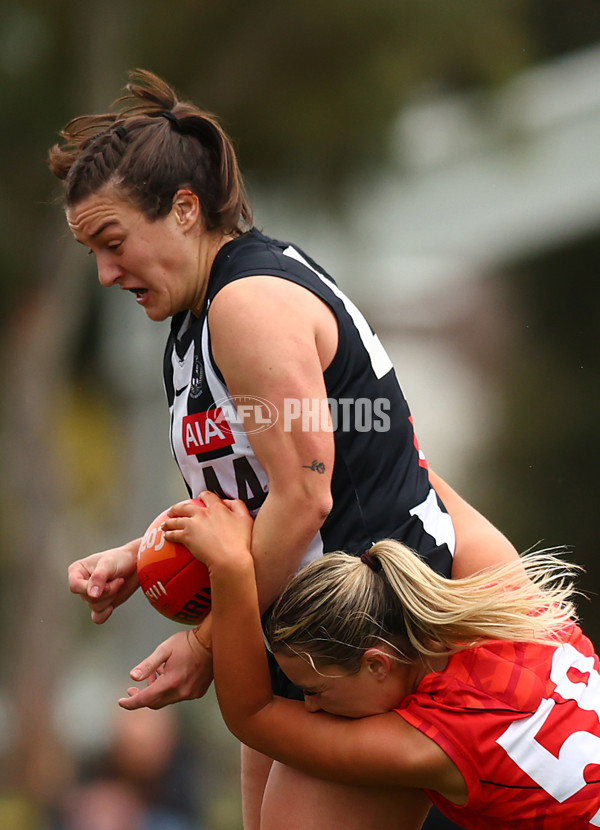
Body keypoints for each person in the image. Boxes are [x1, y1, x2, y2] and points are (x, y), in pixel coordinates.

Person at [49, 69, 519, 829]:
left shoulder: (247, 304)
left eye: (113, 243)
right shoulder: (193, 319)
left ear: (184, 209)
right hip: (306, 635)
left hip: (369, 636)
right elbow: (250, 496)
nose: (105, 274)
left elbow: (307, 496)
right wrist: (142, 554)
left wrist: (206, 643)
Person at [161, 492, 600, 830]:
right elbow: (417, 473)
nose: (309, 707)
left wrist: (232, 566)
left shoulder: (436, 741)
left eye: (314, 690)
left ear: (376, 664)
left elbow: (253, 715)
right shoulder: (512, 605)